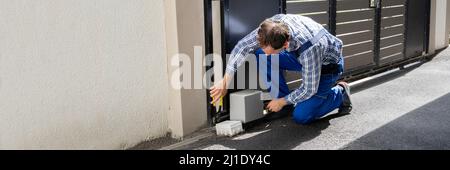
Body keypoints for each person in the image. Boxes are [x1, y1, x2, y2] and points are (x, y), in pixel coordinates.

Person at [210, 14, 352, 124]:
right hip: (302, 59)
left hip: (326, 68)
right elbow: (242, 47)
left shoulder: (310, 47)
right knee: (261, 54)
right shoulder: (273, 27)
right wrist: (225, 81)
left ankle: (340, 94)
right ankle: (284, 105)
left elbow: (309, 89)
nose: (266, 52)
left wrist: (281, 101)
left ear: (284, 44)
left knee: (302, 116)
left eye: (270, 50)